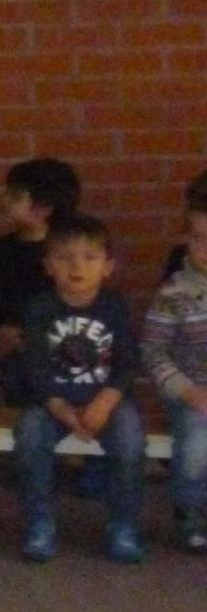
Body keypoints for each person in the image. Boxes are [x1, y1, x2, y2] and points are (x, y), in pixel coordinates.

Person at [14, 213, 145, 564]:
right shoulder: (40, 309)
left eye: (89, 257)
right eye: (65, 257)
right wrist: (58, 408)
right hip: (53, 402)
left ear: (108, 266)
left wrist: (104, 402)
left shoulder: (114, 307)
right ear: (48, 266)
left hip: (107, 401)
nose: (77, 266)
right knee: (29, 435)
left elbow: (128, 364)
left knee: (131, 439)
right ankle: (40, 524)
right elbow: (35, 368)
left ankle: (124, 526)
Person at [0, 156, 81, 403]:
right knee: (18, 388)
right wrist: (0, 327)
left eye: (15, 197)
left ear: (43, 208)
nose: (5, 202)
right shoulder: (1, 249)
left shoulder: (69, 251)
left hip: (65, 348)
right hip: (18, 349)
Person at [143, 177, 207, 554]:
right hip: (192, 390)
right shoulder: (174, 293)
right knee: (198, 440)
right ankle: (191, 510)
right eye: (198, 238)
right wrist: (187, 390)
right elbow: (153, 350)